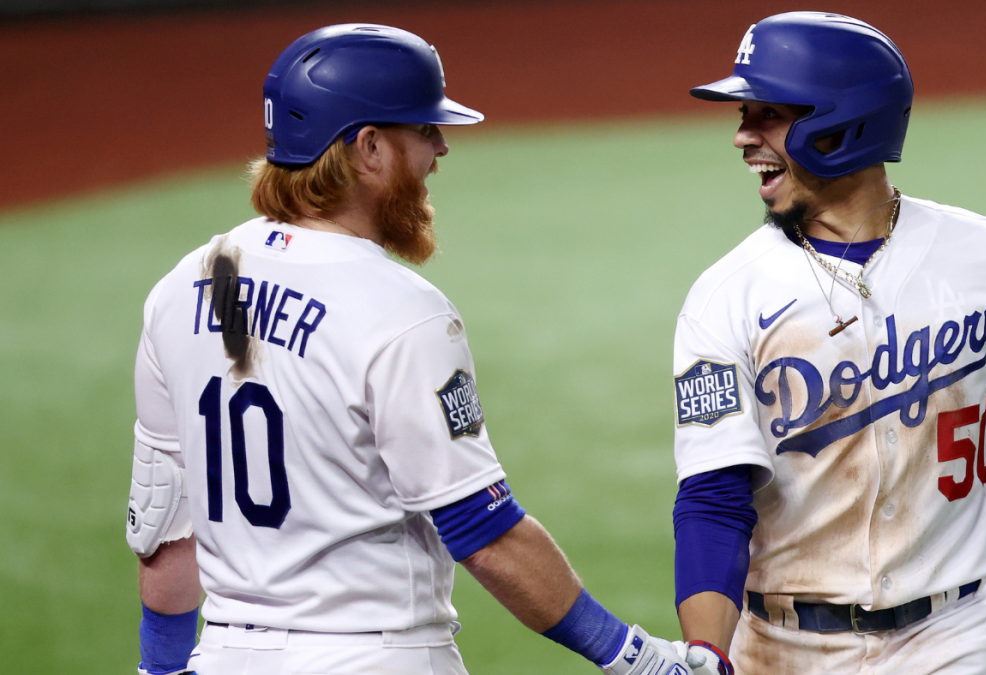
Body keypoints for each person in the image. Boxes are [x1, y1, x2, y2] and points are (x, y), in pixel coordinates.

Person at [125, 24, 704, 675]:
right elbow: (484, 534)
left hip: (225, 655)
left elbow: (164, 522)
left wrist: (159, 666)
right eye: (424, 130)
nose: (442, 148)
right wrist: (636, 657)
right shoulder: (400, 310)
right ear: (368, 147)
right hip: (373, 655)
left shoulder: (181, 287)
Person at [669, 12, 986, 675]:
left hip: (949, 638)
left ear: (841, 122)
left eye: (768, 114)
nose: (742, 136)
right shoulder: (727, 294)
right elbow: (714, 495)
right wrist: (706, 650)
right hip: (780, 647)